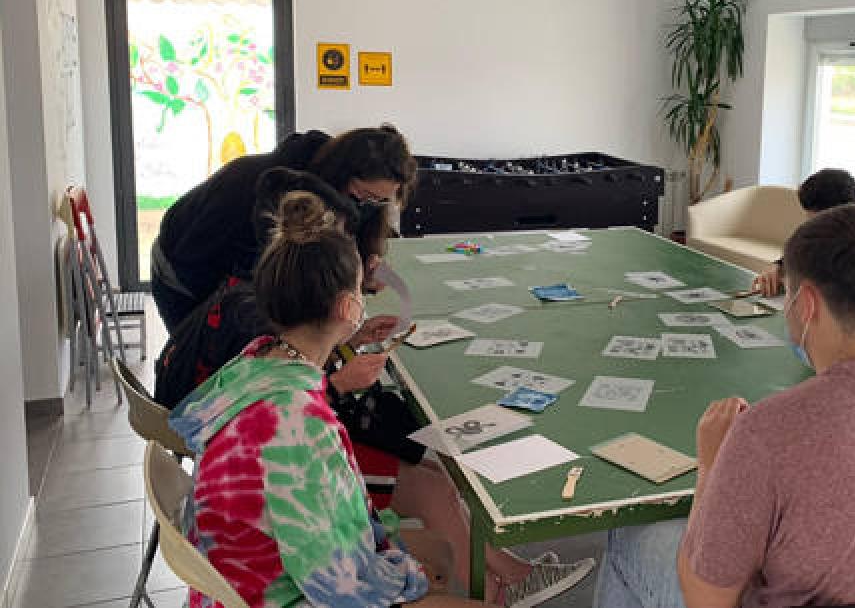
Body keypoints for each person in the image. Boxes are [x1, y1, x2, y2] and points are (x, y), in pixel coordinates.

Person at [170, 192, 594, 608]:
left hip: (236, 579)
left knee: (435, 545)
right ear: (348, 306)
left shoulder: (257, 358)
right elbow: (340, 585)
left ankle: (497, 579)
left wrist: (393, 555)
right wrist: (408, 575)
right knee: (431, 553)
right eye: (361, 288)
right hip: (274, 594)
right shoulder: (299, 423)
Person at [596, 205, 855, 608]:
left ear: (807, 304)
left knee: (631, 538)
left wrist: (710, 468)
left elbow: (707, 600)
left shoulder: (767, 430)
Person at [151, 124, 416, 332]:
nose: (369, 206)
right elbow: (274, 284)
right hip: (185, 272)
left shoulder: (347, 196)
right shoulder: (260, 192)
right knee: (207, 365)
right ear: (343, 175)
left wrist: (362, 274)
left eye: (380, 201)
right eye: (364, 196)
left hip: (235, 273)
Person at [751, 168, 855, 297]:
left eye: (820, 222)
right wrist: (778, 268)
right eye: (809, 219)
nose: (814, 229)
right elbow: (800, 253)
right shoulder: (819, 235)